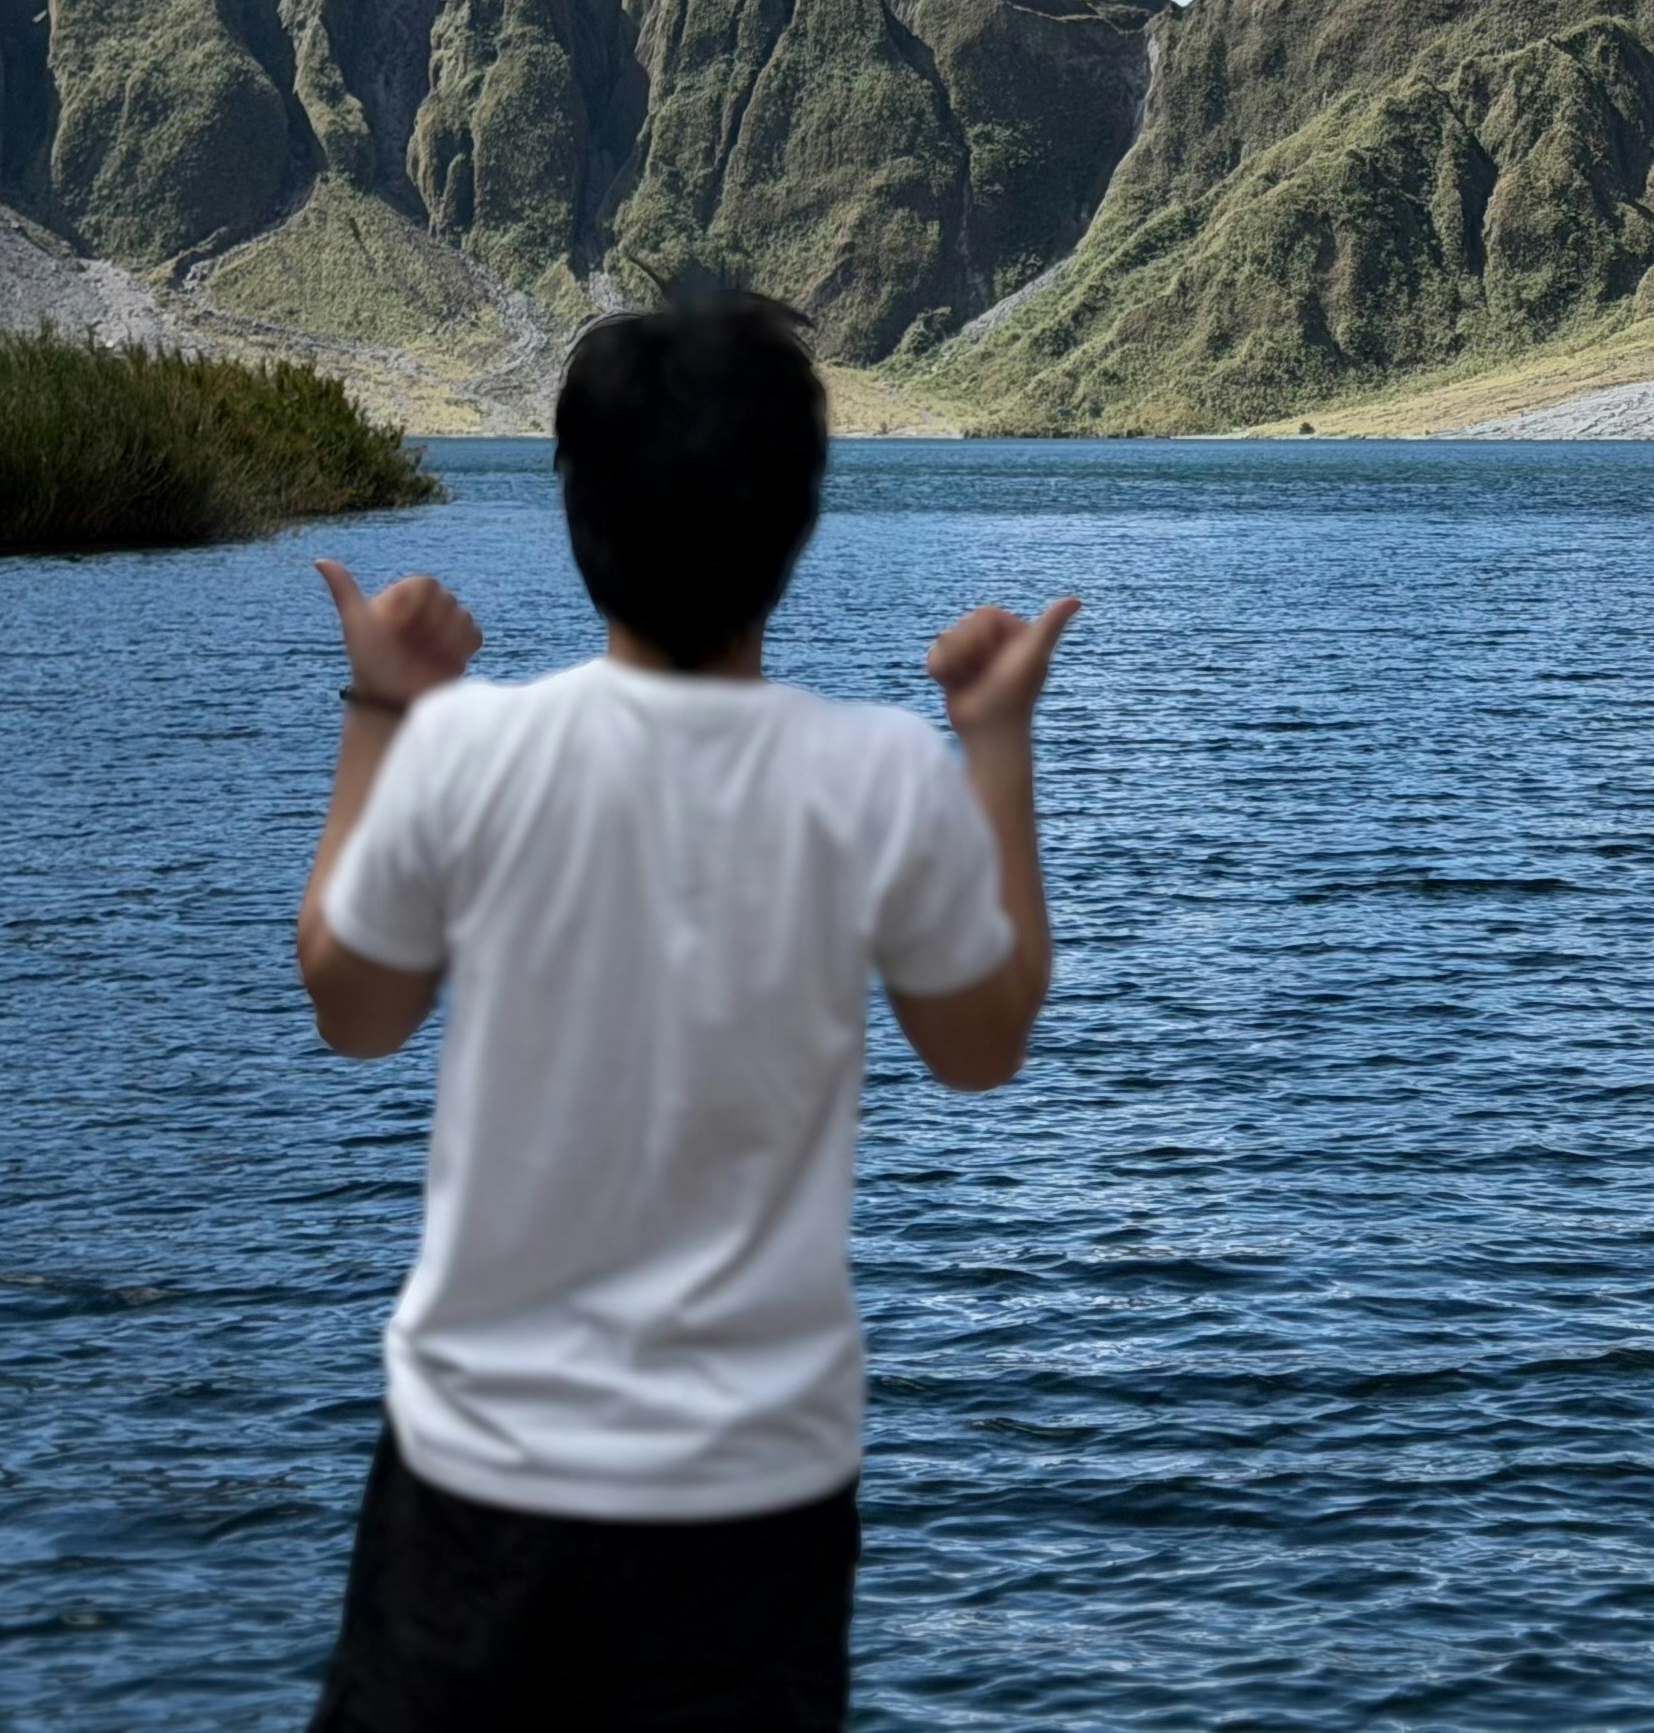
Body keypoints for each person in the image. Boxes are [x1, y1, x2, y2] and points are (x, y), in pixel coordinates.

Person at [288, 292, 1073, 1730]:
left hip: (479, 1480)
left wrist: (383, 709)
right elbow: (982, 1047)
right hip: (752, 1503)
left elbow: (354, 1007)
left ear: (580, 512)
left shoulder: (471, 751)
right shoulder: (879, 778)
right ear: (794, 522)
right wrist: (999, 745)